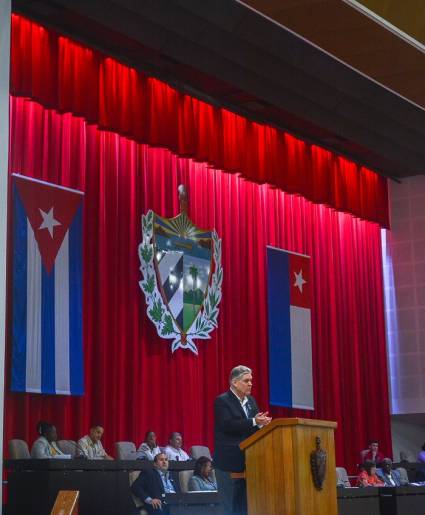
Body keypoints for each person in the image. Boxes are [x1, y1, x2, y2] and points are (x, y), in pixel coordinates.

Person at [214, 365, 272, 515]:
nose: (250, 384)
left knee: (246, 508)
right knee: (229, 508)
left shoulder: (251, 401)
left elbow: (250, 428)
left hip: (249, 463)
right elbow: (228, 426)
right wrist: (254, 421)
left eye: (251, 380)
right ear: (234, 382)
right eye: (246, 380)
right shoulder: (222, 401)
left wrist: (261, 425)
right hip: (228, 464)